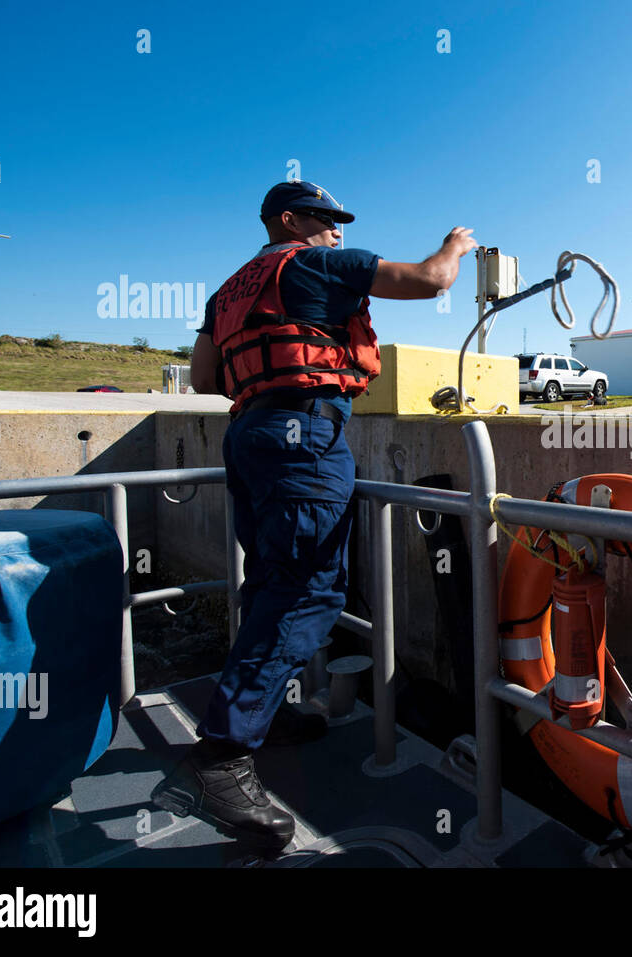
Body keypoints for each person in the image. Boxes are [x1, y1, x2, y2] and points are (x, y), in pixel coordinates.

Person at [151, 181, 477, 850]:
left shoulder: (230, 289)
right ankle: (220, 758)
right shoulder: (318, 263)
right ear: (289, 219)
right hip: (303, 440)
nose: (336, 231)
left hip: (248, 438)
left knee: (272, 585)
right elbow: (429, 280)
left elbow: (206, 378)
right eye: (326, 220)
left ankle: (253, 721)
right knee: (307, 594)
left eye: (338, 224)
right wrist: (457, 245)